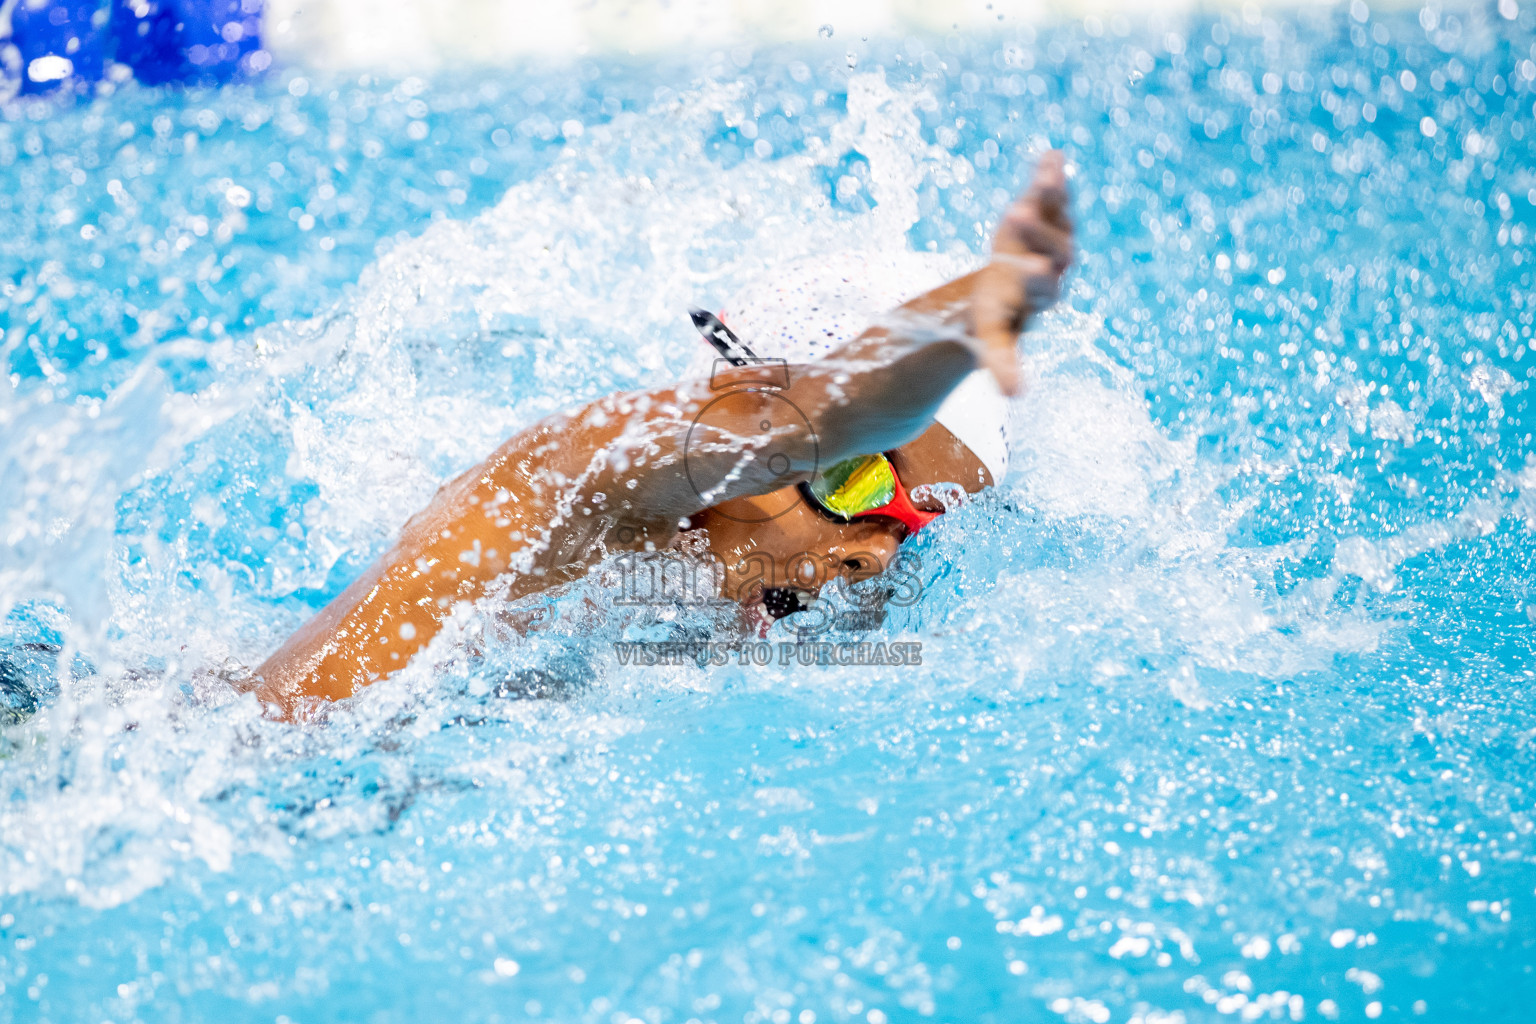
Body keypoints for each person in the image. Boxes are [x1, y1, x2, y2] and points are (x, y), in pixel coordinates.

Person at [254, 150, 1074, 720]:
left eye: (916, 525)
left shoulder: (705, 602)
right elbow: (822, 412)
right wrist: (965, 316)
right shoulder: (579, 480)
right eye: (860, 480)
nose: (875, 556)